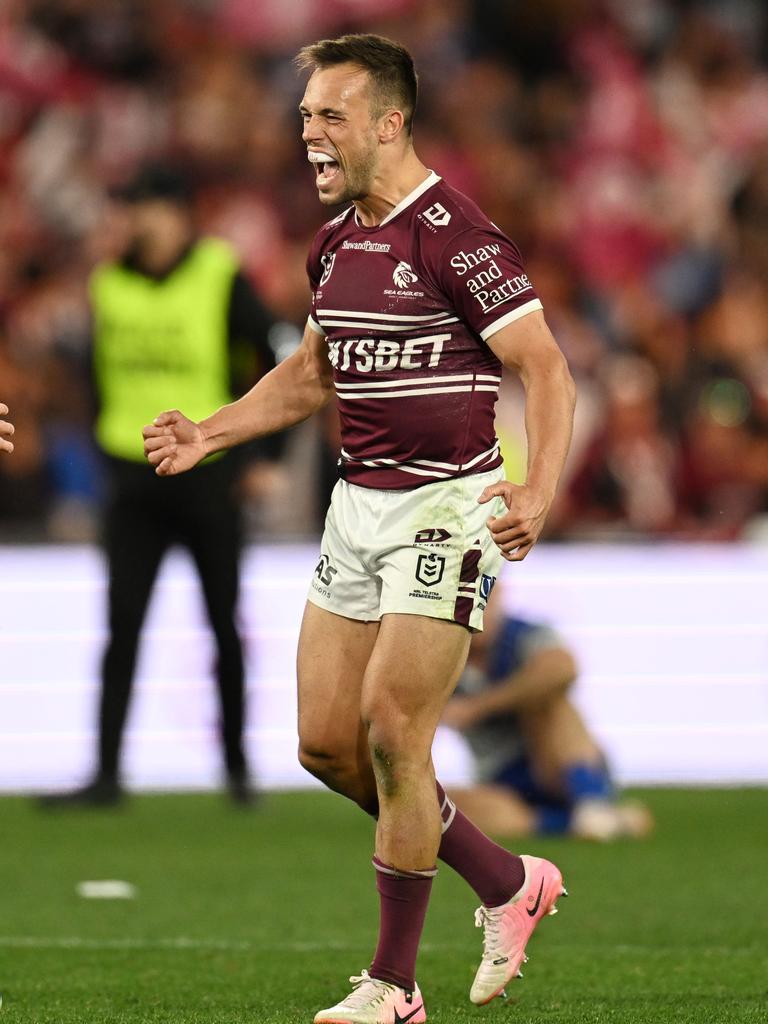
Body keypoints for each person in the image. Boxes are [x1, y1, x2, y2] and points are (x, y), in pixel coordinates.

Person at [142, 34, 576, 1023]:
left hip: (447, 504)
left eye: (331, 116)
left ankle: (395, 984)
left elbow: (546, 369)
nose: (311, 136)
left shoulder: (458, 236)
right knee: (326, 746)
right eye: (305, 118)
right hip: (358, 507)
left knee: (392, 729)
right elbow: (308, 376)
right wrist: (210, 430)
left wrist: (535, 488)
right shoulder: (336, 242)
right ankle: (510, 881)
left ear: (390, 123)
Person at [42, 164, 279, 808]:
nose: (140, 220)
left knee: (223, 625)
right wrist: (101, 443)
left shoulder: (219, 275)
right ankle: (106, 773)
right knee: (121, 625)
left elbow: (278, 354)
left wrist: (264, 454)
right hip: (133, 475)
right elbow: (95, 370)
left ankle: (237, 770)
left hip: (207, 476)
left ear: (178, 214)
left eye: (150, 206)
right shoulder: (108, 281)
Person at [443, 586, 654, 840]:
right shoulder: (444, 653)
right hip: (500, 778)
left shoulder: (523, 635)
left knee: (550, 700)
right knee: (438, 802)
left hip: (553, 760)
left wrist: (479, 707)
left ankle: (589, 800)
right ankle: (583, 823)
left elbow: (563, 668)